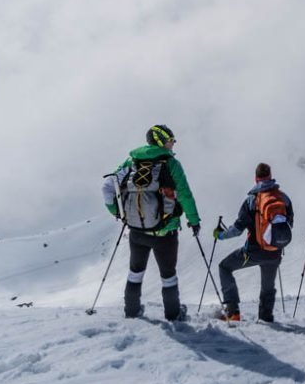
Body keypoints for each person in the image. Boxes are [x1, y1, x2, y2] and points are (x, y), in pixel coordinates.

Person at [102, 124, 200, 321]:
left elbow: (107, 186)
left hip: (137, 231)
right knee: (168, 275)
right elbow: (185, 195)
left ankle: (132, 311)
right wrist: (194, 220)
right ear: (161, 141)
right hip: (165, 232)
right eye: (170, 140)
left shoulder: (131, 161)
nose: (173, 144)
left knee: (135, 272)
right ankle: (173, 315)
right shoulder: (171, 164)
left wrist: (118, 213)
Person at [214, 163, 294, 322]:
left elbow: (237, 230)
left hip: (253, 252)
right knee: (268, 286)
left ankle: (233, 312)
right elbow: (289, 225)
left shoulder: (252, 201)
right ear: (271, 176)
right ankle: (266, 317)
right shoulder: (283, 198)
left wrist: (220, 235)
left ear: (256, 178)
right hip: (275, 252)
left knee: (225, 267)